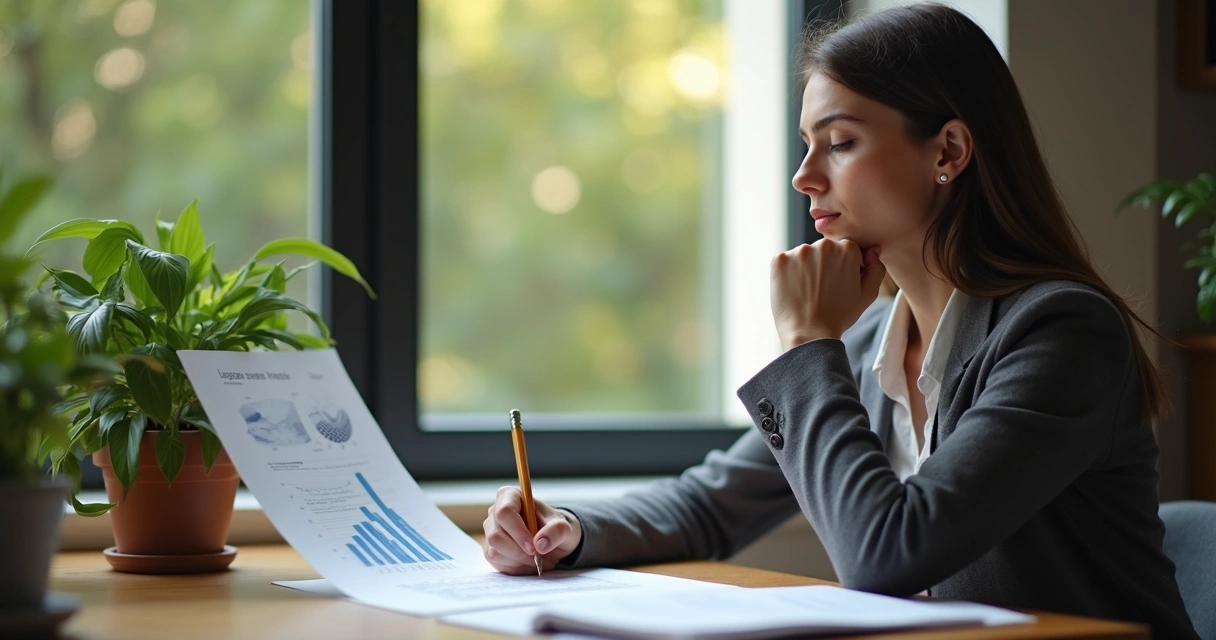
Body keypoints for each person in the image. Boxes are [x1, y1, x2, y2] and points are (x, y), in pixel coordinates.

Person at [481, 4, 1199, 638]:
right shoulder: (865, 344)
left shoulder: (1063, 334)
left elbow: (886, 556)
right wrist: (563, 531)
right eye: (805, 143)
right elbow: (710, 505)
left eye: (841, 141)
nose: (804, 176)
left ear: (947, 151)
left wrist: (805, 342)